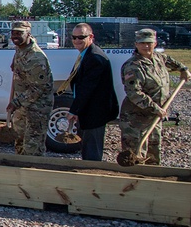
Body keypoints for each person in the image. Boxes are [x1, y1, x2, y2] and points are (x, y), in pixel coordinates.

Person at [118, 28, 190, 165]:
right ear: (136, 44)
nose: (146, 46)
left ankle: (153, 183)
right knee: (135, 157)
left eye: (149, 43)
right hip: (136, 119)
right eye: (142, 43)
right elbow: (134, 93)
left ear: (155, 43)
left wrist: (183, 69)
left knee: (153, 154)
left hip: (155, 118)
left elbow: (171, 61)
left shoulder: (159, 58)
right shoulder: (132, 66)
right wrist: (155, 108)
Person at [61, 23, 119, 161]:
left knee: (92, 151)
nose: (76, 41)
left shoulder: (95, 58)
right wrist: (78, 110)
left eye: (81, 37)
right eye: (74, 37)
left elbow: (87, 88)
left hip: (95, 112)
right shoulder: (85, 55)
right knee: (87, 147)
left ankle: (92, 176)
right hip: (87, 110)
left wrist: (74, 110)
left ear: (91, 36)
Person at [7, 20, 53, 156]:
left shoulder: (36, 58)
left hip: (37, 108)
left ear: (28, 34)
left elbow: (37, 89)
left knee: (33, 147)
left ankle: (34, 174)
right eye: (13, 33)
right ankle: (19, 174)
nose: (15, 36)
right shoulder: (20, 49)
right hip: (22, 105)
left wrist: (15, 103)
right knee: (19, 143)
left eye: (19, 33)